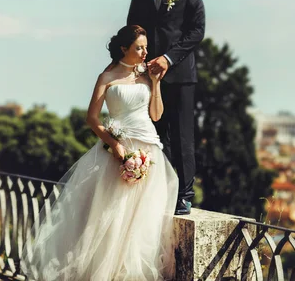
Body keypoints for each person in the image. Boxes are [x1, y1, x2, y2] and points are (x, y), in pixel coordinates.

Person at [21, 25, 178, 281]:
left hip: (149, 150)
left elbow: (156, 115)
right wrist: (114, 145)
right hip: (118, 151)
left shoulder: (147, 75)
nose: (144, 52)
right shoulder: (106, 77)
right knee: (112, 217)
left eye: (145, 47)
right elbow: (92, 119)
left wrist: (157, 83)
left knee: (141, 222)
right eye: (139, 48)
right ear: (123, 49)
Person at [127, 0, 205, 215]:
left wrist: (168, 58)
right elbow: (132, 31)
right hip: (148, 76)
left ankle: (184, 194)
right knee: (155, 136)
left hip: (181, 75)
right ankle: (158, 190)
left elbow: (197, 31)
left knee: (183, 136)